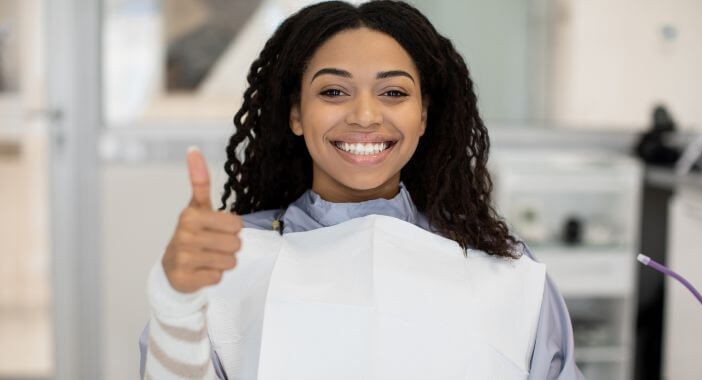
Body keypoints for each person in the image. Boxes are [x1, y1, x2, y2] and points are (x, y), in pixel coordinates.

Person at [139, 1, 585, 379]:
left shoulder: (506, 275)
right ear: (296, 114)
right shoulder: (229, 263)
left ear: (424, 116)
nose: (366, 116)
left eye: (393, 92)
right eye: (334, 91)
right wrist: (176, 300)